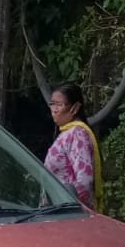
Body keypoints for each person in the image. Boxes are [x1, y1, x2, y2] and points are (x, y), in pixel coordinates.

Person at [43, 82, 104, 211]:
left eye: (59, 104)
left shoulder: (77, 134)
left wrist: (65, 207)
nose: (54, 109)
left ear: (75, 108)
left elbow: (84, 181)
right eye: (52, 104)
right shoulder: (67, 133)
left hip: (67, 214)